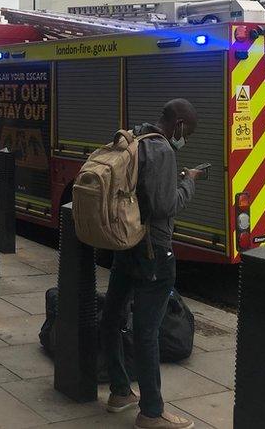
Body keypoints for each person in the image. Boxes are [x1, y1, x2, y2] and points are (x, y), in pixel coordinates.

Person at [100, 98, 202, 429]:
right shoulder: (163, 152)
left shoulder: (135, 137)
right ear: (180, 125)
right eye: (188, 133)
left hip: (125, 244)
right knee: (147, 331)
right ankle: (152, 411)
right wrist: (189, 182)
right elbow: (164, 206)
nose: (185, 139)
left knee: (113, 316)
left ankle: (119, 391)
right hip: (154, 252)